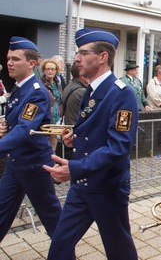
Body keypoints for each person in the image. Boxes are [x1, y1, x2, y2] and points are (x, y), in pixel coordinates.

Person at [43, 28, 139, 260]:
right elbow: (95, 131)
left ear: (102, 57)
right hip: (82, 186)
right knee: (60, 246)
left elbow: (118, 147)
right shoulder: (92, 90)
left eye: (83, 53)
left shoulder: (121, 94)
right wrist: (75, 136)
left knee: (119, 250)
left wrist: (74, 168)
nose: (77, 58)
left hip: (107, 188)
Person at [0, 36, 62, 242]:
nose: (9, 63)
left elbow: (24, 129)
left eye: (16, 59)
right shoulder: (19, 88)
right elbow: (15, 124)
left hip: (34, 165)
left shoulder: (35, 92)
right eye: (9, 58)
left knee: (51, 217)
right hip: (16, 162)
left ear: (32, 63)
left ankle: (65, 254)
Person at [61, 62, 88, 160]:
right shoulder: (82, 91)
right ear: (82, 77)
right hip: (78, 137)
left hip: (70, 134)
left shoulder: (70, 86)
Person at [40, 58, 63, 151]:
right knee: (45, 146)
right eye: (47, 69)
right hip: (46, 119)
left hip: (57, 118)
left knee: (53, 146)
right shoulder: (40, 84)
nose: (50, 71)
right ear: (44, 70)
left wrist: (61, 112)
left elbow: (60, 100)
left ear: (56, 71)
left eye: (52, 69)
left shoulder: (58, 83)